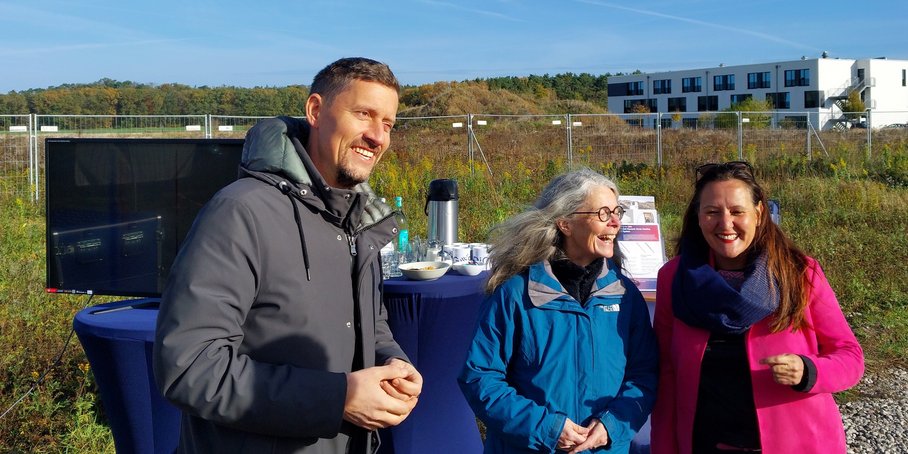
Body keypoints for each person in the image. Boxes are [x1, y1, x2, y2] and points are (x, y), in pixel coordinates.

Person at [153, 57, 422, 454]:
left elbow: (369, 323)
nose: (377, 137)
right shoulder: (242, 212)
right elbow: (190, 368)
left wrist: (392, 362)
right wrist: (338, 397)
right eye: (364, 114)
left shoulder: (359, 221)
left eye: (388, 124)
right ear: (316, 111)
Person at [650, 161, 864, 454]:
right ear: (698, 217)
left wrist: (809, 371)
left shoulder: (799, 273)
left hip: (797, 443)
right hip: (704, 443)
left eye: (737, 212)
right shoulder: (674, 278)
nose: (725, 224)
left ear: (759, 214)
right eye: (712, 212)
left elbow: (850, 356)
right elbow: (666, 372)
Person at [458, 168, 658, 453]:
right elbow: (480, 377)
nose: (615, 222)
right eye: (603, 213)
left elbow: (644, 374)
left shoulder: (626, 296)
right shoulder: (516, 294)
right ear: (565, 223)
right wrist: (546, 429)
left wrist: (611, 427)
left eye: (618, 212)